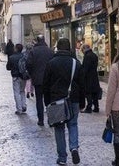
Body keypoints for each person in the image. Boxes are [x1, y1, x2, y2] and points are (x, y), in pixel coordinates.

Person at [43, 38, 85, 166]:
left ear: (57, 48)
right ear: (69, 48)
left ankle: (62, 157)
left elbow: (46, 84)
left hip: (57, 100)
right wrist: (83, 101)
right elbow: (82, 84)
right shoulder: (76, 63)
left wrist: (47, 102)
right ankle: (74, 147)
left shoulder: (51, 63)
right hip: (73, 99)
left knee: (59, 128)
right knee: (73, 124)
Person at [26, 35, 54, 126]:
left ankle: (41, 120)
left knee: (39, 100)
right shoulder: (50, 51)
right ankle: (50, 119)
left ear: (37, 41)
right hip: (49, 79)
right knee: (48, 100)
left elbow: (28, 64)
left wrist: (32, 74)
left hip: (38, 79)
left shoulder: (33, 51)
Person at [6, 43, 27, 115]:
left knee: (17, 92)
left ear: (16, 49)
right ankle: (24, 105)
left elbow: (8, 68)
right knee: (22, 91)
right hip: (23, 76)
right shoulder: (24, 56)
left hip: (15, 77)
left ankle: (19, 109)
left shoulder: (12, 57)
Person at [80, 44, 101, 113]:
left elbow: (85, 68)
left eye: (82, 50)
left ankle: (89, 107)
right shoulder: (94, 55)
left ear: (84, 49)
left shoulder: (87, 56)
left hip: (88, 77)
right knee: (94, 92)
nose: (82, 52)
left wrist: (82, 76)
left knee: (88, 92)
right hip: (94, 76)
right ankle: (96, 107)